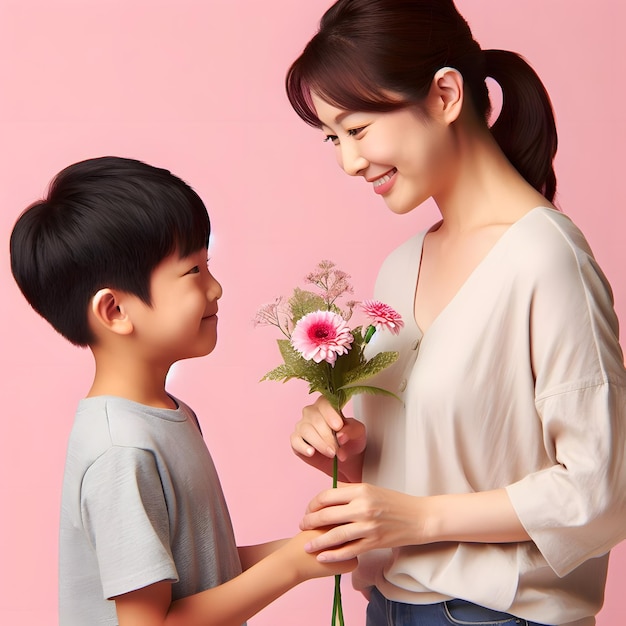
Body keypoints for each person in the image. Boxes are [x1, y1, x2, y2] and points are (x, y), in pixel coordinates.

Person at [284, 1, 626, 625]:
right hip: (389, 607)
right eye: (333, 138)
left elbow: (598, 491)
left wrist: (421, 517)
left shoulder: (546, 258)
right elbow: (433, 462)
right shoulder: (399, 265)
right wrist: (349, 453)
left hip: (495, 615)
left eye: (357, 130)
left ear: (444, 95)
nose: (348, 162)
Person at [9, 156, 355, 626]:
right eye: (193, 271)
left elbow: (194, 574)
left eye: (208, 264)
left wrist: (312, 547)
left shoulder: (165, 414)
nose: (216, 288)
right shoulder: (120, 451)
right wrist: (292, 564)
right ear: (114, 310)